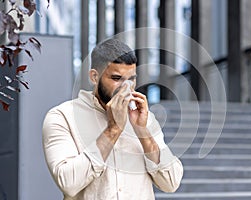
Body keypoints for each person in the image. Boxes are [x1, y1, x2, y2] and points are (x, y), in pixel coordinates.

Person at [42, 38, 183, 200]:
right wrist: (113, 130)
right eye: (117, 79)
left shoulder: (144, 118)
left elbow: (171, 183)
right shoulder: (62, 117)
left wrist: (143, 131)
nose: (126, 87)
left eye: (131, 79)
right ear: (94, 77)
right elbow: (68, 183)